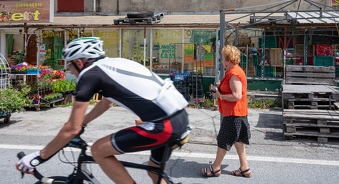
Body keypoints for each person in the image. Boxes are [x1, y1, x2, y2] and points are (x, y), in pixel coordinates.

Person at [16, 37, 189, 184]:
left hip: (163, 125)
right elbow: (106, 103)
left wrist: (39, 157)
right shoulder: (114, 64)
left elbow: (71, 128)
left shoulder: (90, 75)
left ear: (79, 62)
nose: (70, 70)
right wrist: (83, 122)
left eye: (69, 65)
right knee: (154, 171)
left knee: (98, 149)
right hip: (180, 118)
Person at [200, 44, 251, 178]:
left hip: (233, 114)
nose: (221, 61)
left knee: (223, 141)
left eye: (223, 58)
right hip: (238, 113)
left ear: (228, 60)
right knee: (238, 140)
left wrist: (220, 96)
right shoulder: (234, 71)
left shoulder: (234, 73)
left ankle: (215, 168)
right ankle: (244, 168)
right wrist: (220, 88)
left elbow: (237, 95)